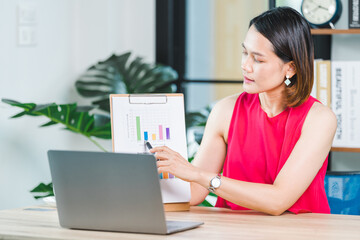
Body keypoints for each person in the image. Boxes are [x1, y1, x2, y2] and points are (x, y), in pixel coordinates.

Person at [150, 7, 337, 215]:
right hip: (236, 229)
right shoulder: (225, 111)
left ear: (290, 68)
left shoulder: (319, 119)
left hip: (300, 233)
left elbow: (278, 201)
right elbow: (194, 192)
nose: (245, 66)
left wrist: (198, 174)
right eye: (244, 52)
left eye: (258, 59)